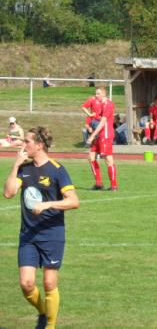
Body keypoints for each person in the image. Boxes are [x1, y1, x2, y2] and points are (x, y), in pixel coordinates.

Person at [3, 126, 80, 329]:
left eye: (27, 142)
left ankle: (50, 326)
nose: (23, 145)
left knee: (49, 283)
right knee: (26, 284)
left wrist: (47, 204)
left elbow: (73, 201)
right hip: (28, 235)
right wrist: (15, 165)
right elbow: (9, 193)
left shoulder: (57, 170)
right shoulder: (24, 168)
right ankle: (44, 312)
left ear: (39, 145)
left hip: (52, 234)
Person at [86, 86, 118, 191]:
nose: (96, 95)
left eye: (98, 93)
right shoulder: (101, 105)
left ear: (104, 94)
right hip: (99, 134)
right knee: (91, 157)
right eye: (96, 93)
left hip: (105, 135)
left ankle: (114, 185)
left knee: (108, 159)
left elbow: (103, 122)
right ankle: (98, 183)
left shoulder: (108, 104)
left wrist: (91, 136)